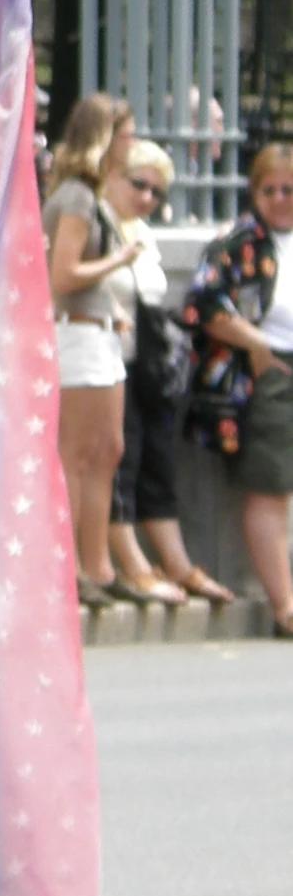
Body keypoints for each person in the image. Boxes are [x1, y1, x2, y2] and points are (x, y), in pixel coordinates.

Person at [104, 139, 232, 605]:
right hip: (109, 358)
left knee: (156, 458)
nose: (147, 199)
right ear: (112, 176)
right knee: (121, 459)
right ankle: (129, 564)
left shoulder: (143, 229)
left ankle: (175, 563)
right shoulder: (98, 220)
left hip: (151, 363)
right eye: (138, 185)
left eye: (157, 193)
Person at [183, 142, 293, 634]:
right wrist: (255, 345)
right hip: (270, 373)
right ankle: (285, 606)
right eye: (269, 189)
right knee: (270, 488)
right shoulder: (238, 241)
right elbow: (202, 304)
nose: (280, 198)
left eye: (289, 189)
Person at [43, 92, 141, 607]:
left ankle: (98, 566)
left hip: (96, 330)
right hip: (75, 332)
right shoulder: (78, 196)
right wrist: (119, 260)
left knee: (107, 450)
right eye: (126, 134)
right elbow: (64, 272)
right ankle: (75, 567)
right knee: (77, 454)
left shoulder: (90, 194)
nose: (133, 144)